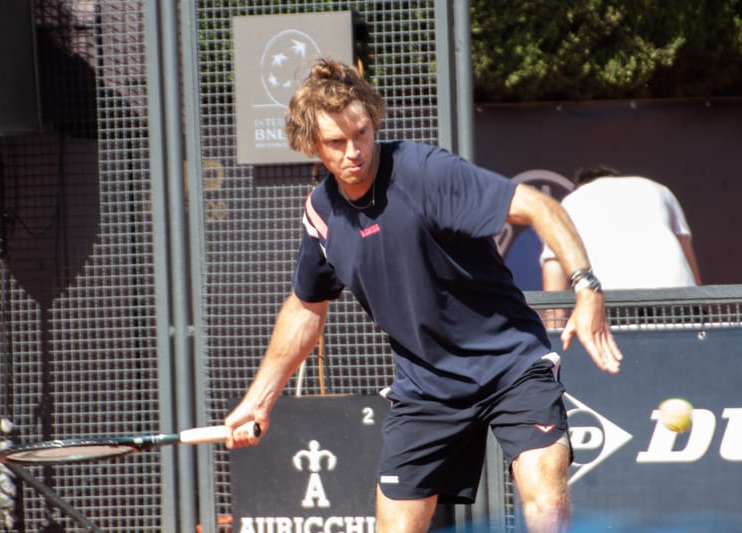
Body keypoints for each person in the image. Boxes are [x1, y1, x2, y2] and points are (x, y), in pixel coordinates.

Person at [223, 59, 623, 533]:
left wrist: (586, 285)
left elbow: (539, 206)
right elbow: (306, 307)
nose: (354, 151)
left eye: (362, 133)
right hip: (427, 385)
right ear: (311, 145)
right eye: (336, 142)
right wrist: (261, 397)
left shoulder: (425, 172)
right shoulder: (322, 214)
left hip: (510, 361)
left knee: (545, 499)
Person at [541, 165, 702, 291]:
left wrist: (552, 328)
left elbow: (554, 268)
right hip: (678, 297)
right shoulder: (659, 190)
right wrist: (701, 310)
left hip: (612, 301)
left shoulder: (572, 201)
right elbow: (687, 256)